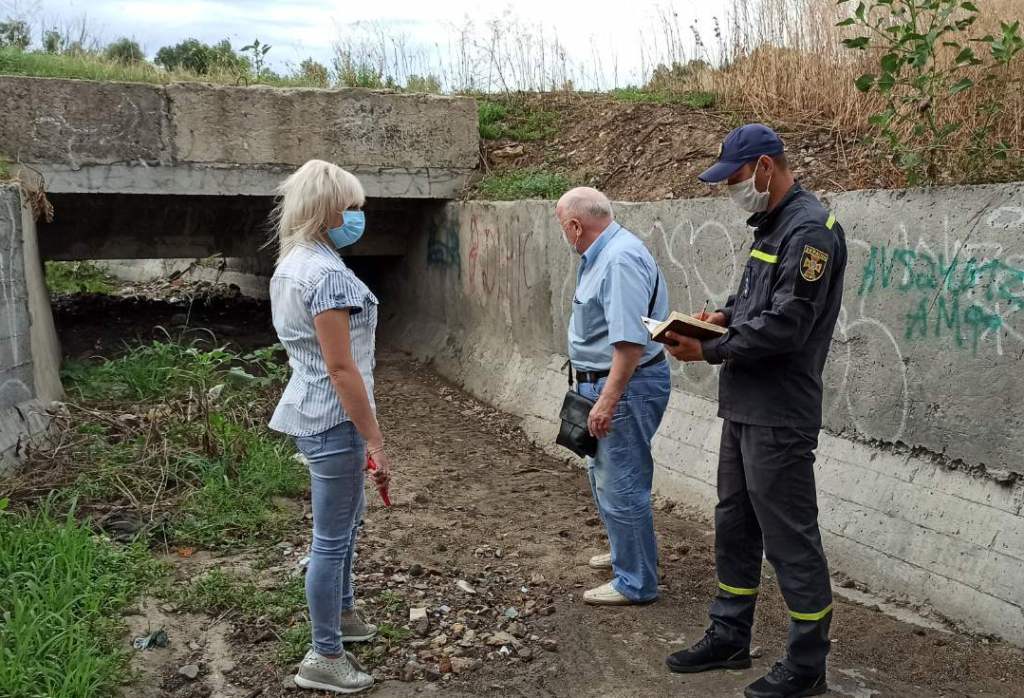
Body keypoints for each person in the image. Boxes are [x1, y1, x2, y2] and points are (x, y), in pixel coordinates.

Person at [662, 124, 847, 698]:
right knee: (734, 525)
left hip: (779, 413)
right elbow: (755, 304)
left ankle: (807, 663)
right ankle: (729, 634)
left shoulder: (811, 230)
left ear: (765, 167)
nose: (731, 189)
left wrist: (711, 349)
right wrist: (719, 316)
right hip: (745, 407)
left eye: (736, 178)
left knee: (790, 536)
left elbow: (790, 324)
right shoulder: (771, 223)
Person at [268, 159, 392, 694]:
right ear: (328, 209)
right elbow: (341, 368)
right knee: (332, 538)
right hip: (333, 419)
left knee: (345, 527)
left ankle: (342, 616)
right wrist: (374, 437)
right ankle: (324, 655)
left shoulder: (294, 262)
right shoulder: (326, 275)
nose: (358, 216)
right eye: (353, 207)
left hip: (311, 411)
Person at [556, 186, 672, 606]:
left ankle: (636, 581)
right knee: (605, 475)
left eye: (562, 227)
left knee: (622, 481)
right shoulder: (605, 254)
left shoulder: (619, 260)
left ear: (574, 225)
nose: (563, 234)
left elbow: (629, 343)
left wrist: (606, 400)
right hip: (606, 383)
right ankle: (628, 553)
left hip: (623, 385)